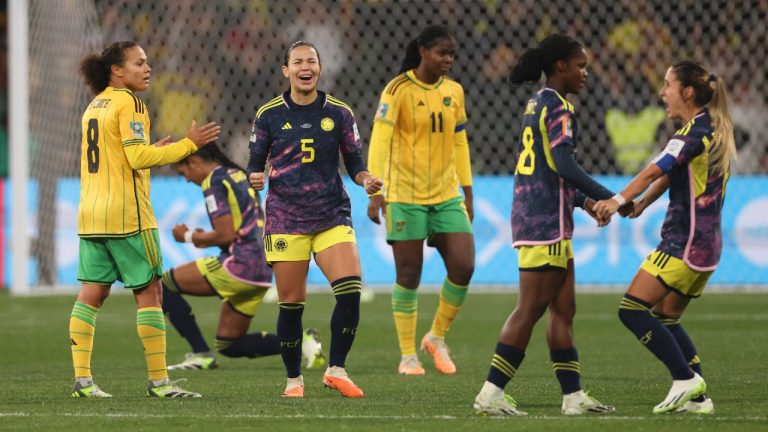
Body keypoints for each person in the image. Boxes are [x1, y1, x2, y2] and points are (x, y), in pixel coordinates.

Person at [472, 34, 619, 416]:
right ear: (560, 67)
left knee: (564, 309)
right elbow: (563, 165)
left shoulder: (537, 101)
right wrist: (613, 197)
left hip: (542, 213)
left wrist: (587, 203)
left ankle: (573, 397)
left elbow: (546, 168)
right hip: (544, 220)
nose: (585, 73)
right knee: (530, 308)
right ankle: (491, 393)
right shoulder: (558, 107)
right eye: (580, 65)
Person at [70, 41, 220, 398]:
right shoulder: (130, 102)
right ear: (116, 71)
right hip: (127, 217)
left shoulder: (96, 104)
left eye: (148, 62)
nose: (147, 68)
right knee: (151, 292)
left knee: (91, 295)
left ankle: (83, 382)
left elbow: (124, 155)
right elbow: (137, 159)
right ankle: (160, 382)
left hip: (92, 214)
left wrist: (156, 149)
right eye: (138, 63)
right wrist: (187, 144)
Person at [593, 61, 735, 414]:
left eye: (668, 85)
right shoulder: (711, 129)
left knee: (631, 310)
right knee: (666, 315)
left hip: (683, 242)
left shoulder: (691, 133)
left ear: (687, 91)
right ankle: (699, 399)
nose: (662, 93)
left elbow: (654, 169)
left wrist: (616, 201)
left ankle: (684, 379)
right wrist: (641, 205)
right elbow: (672, 176)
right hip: (706, 243)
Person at [247, 41, 382, 398]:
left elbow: (355, 163)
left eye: (311, 61)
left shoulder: (338, 113)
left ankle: (336, 369)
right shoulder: (269, 114)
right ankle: (294, 380)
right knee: (291, 304)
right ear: (286, 70)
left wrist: (367, 179)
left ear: (319, 68)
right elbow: (255, 161)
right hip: (286, 217)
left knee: (351, 290)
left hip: (330, 214)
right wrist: (254, 177)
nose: (305, 67)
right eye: (297, 62)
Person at [367, 25, 474, 377]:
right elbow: (380, 140)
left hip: (446, 195)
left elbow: (460, 142)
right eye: (442, 53)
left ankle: (436, 337)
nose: (448, 60)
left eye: (452, 54)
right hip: (405, 195)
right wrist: (375, 190)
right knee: (409, 274)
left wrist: (467, 191)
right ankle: (407, 356)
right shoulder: (397, 89)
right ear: (424, 51)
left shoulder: (454, 91)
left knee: (463, 266)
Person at [162, 144, 326, 372]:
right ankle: (303, 342)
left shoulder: (213, 182)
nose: (187, 179)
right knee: (229, 343)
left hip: (239, 264)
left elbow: (226, 234)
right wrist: (203, 237)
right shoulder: (236, 174)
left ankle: (200, 353)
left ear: (194, 162)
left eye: (184, 173)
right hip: (262, 268)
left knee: (163, 285)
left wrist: (188, 236)